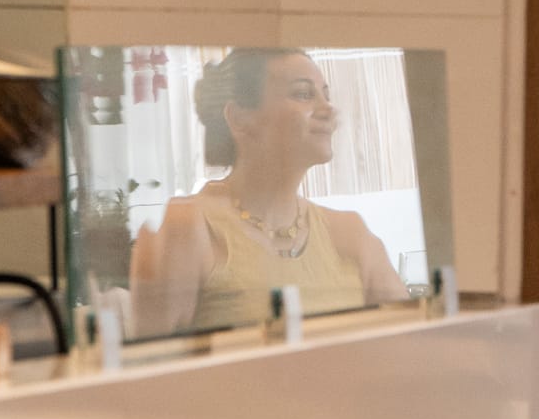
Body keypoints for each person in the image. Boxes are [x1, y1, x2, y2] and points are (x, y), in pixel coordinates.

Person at [132, 49, 415, 337]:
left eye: (325, 95)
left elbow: (414, 346)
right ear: (240, 118)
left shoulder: (350, 234)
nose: (327, 108)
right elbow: (149, 366)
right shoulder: (191, 226)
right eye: (304, 94)